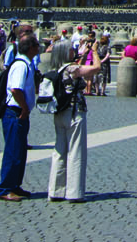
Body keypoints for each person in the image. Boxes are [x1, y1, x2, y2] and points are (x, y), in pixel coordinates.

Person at [47, 38, 101, 203]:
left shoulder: (58, 68)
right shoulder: (72, 69)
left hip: (60, 113)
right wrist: (95, 51)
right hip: (74, 113)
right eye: (71, 49)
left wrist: (83, 55)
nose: (74, 50)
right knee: (76, 152)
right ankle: (74, 192)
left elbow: (78, 67)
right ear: (64, 52)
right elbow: (96, 68)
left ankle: (56, 190)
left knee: (59, 151)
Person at [0, 32, 38, 201]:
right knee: (13, 151)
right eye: (37, 45)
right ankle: (4, 188)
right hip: (15, 112)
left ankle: (15, 185)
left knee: (19, 151)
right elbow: (15, 89)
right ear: (31, 48)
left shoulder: (27, 63)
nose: (39, 48)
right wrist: (25, 108)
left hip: (19, 112)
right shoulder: (21, 65)